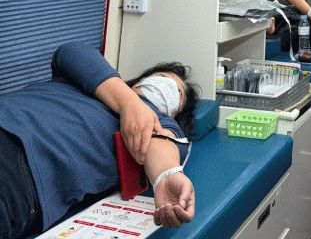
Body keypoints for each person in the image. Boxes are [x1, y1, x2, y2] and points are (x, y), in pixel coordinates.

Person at [0, 42, 199, 239]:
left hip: (28, 163)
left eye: (178, 92)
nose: (166, 85)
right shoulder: (87, 80)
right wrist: (129, 103)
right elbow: (71, 51)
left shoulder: (163, 122)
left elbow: (162, 145)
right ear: (141, 80)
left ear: (176, 112)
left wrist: (166, 175)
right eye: (162, 77)